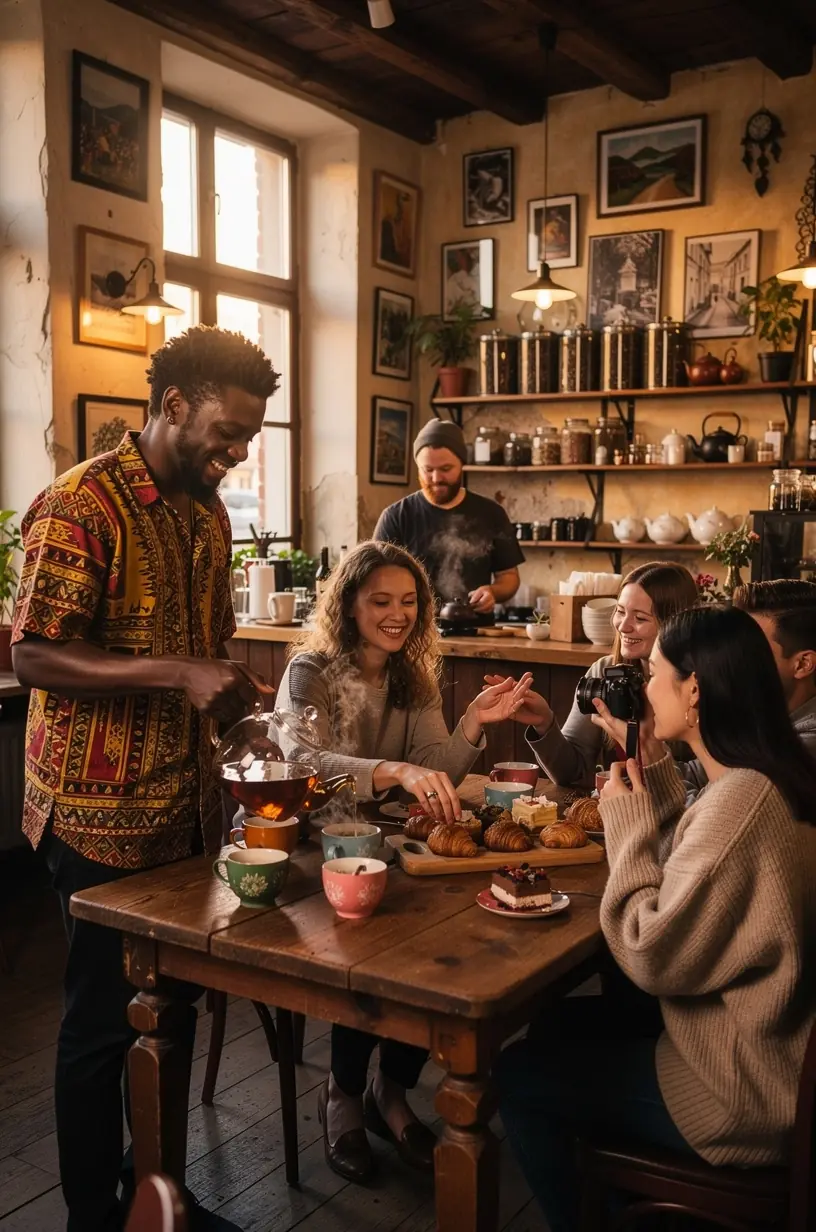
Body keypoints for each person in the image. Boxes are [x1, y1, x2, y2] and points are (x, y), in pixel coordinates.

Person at [11, 325, 280, 1232]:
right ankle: (96, 1213)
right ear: (173, 407)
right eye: (230, 433)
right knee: (100, 1029)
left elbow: (198, 650)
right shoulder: (78, 506)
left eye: (250, 438)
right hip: (92, 813)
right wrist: (177, 673)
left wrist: (232, 685)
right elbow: (37, 655)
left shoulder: (206, 512)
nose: (238, 454)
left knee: (169, 1015)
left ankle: (157, 1195)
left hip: (185, 811)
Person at [497, 605, 816, 1232]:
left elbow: (648, 953)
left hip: (739, 1092)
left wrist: (626, 823)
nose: (643, 688)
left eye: (655, 674)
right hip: (770, 1050)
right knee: (557, 1024)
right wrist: (649, 768)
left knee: (517, 1074)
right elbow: (701, 877)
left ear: (693, 690)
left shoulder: (742, 805)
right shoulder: (766, 777)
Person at [275, 540, 532, 1183]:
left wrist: (473, 720)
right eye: (380, 601)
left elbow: (436, 771)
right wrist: (388, 770)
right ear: (349, 605)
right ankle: (341, 1093)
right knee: (373, 952)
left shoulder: (410, 676)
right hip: (311, 851)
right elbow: (300, 764)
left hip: (390, 848)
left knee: (443, 949)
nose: (398, 614)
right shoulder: (312, 671)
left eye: (409, 602)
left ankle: (390, 1089)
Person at [485, 562, 699, 788]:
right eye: (620, 611)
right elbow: (571, 773)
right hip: (616, 812)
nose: (623, 626)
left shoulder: (699, 683)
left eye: (640, 618)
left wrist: (647, 750)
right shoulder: (604, 672)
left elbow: (705, 782)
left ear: (674, 623)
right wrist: (545, 723)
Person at [373, 419, 523, 613]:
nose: (436, 479)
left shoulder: (491, 513)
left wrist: (493, 592)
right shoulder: (396, 517)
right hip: (410, 633)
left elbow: (509, 577)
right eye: (428, 470)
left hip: (475, 632)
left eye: (445, 469)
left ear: (461, 463)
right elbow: (375, 579)